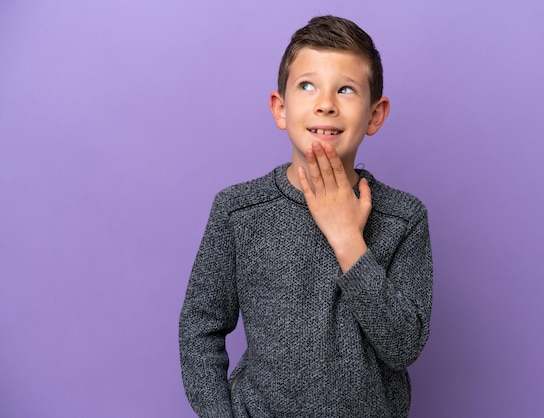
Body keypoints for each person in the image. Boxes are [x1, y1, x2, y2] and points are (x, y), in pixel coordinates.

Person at [179, 15, 433, 418]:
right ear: (280, 108)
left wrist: (348, 239)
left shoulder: (404, 218)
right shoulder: (237, 210)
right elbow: (199, 329)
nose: (326, 103)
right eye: (307, 85)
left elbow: (403, 346)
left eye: (346, 89)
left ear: (375, 115)